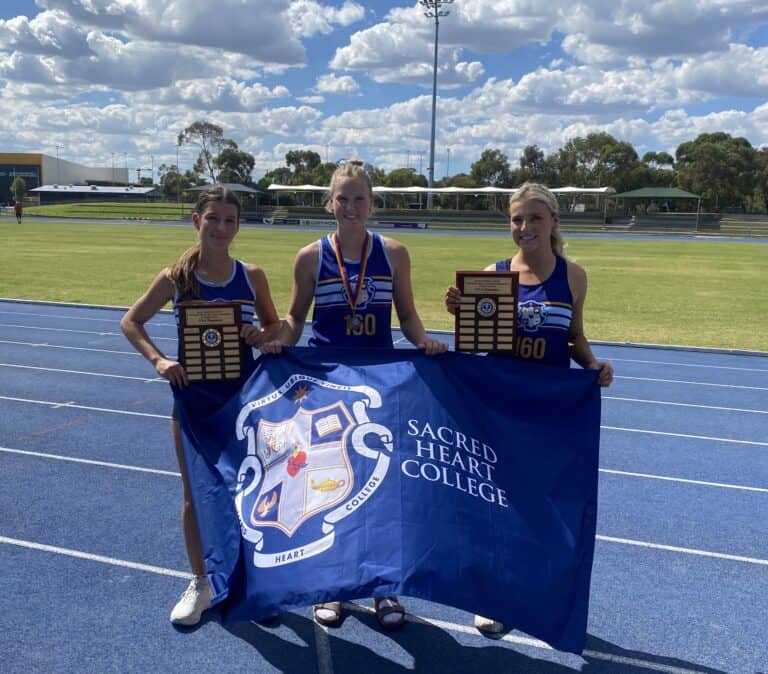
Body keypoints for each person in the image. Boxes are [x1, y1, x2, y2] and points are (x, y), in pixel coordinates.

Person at [261, 159, 447, 629]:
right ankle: (335, 587)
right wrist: (278, 339)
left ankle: (385, 591)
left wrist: (422, 338)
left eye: (359, 197)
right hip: (326, 386)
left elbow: (406, 314)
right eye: (342, 198)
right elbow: (296, 318)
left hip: (379, 384)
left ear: (372, 203)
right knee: (328, 487)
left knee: (383, 489)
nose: (350, 206)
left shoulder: (395, 253)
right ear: (330, 202)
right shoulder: (309, 257)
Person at [445, 181, 613, 635]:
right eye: (517, 219)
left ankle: (529, 594)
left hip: (548, 412)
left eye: (535, 217)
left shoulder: (573, 276)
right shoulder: (493, 273)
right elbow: (478, 343)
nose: (525, 227)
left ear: (555, 221)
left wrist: (593, 364)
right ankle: (494, 599)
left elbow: (573, 337)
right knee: (498, 504)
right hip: (499, 408)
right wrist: (461, 314)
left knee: (541, 506)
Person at [121, 186, 280, 626]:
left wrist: (260, 335)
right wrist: (159, 360)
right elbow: (130, 321)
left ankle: (253, 582)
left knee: (251, 491)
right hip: (192, 402)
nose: (221, 228)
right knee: (195, 495)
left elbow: (275, 324)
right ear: (197, 221)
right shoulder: (176, 277)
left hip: (243, 403)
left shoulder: (251, 275)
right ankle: (201, 581)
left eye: (230, 220)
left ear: (238, 226)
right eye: (213, 219)